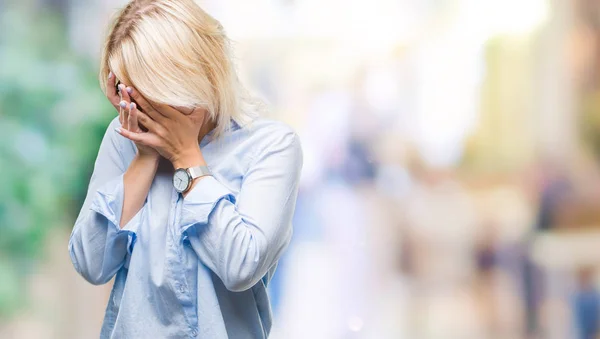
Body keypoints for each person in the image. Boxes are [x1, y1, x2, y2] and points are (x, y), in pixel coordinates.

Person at [67, 1, 303, 338]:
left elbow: (241, 266)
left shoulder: (271, 146)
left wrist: (186, 157)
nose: (143, 104)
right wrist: (145, 157)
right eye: (131, 90)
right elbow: (91, 263)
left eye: (154, 87)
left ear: (196, 74)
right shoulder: (124, 139)